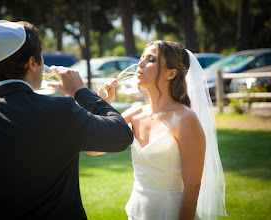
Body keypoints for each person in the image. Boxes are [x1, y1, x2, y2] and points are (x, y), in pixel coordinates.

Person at [0, 20, 133, 219]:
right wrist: (80, 91)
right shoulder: (61, 112)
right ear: (32, 63)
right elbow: (121, 134)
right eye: (42, 58)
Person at [86, 40, 227, 219]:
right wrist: (103, 104)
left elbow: (193, 186)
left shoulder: (185, 119)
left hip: (170, 211)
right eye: (141, 58)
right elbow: (91, 147)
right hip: (138, 211)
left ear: (171, 73)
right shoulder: (133, 114)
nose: (140, 64)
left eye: (151, 59)